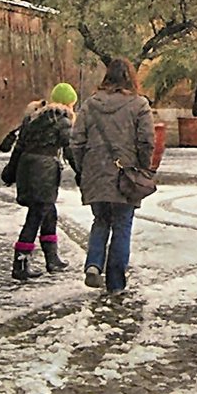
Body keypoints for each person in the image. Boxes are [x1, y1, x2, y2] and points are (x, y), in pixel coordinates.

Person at [69, 57, 155, 295]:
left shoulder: (89, 105)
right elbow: (146, 140)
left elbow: (76, 142)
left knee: (101, 220)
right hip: (125, 175)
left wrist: (83, 169)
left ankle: (94, 264)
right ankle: (116, 283)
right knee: (122, 225)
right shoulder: (139, 105)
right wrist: (143, 168)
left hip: (95, 172)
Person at [1, 82, 78, 282]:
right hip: (44, 171)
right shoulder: (62, 119)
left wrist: (10, 172)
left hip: (27, 168)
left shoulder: (34, 117)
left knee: (48, 212)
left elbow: (19, 146)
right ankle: (20, 263)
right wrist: (81, 172)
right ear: (70, 103)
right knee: (36, 215)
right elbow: (69, 149)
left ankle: (52, 258)